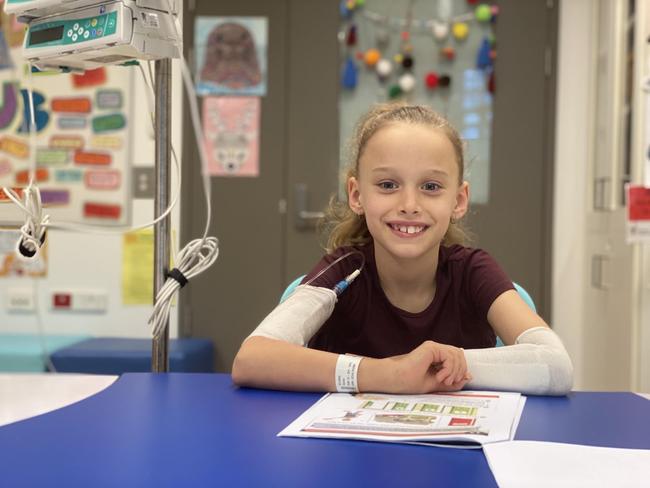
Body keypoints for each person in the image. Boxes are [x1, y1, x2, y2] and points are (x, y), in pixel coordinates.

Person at [232, 103, 573, 396]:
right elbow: (252, 358)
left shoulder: (472, 271)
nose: (409, 204)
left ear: (459, 200)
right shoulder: (343, 271)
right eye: (388, 185)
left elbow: (556, 366)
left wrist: (451, 362)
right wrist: (390, 375)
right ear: (356, 194)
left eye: (431, 186)